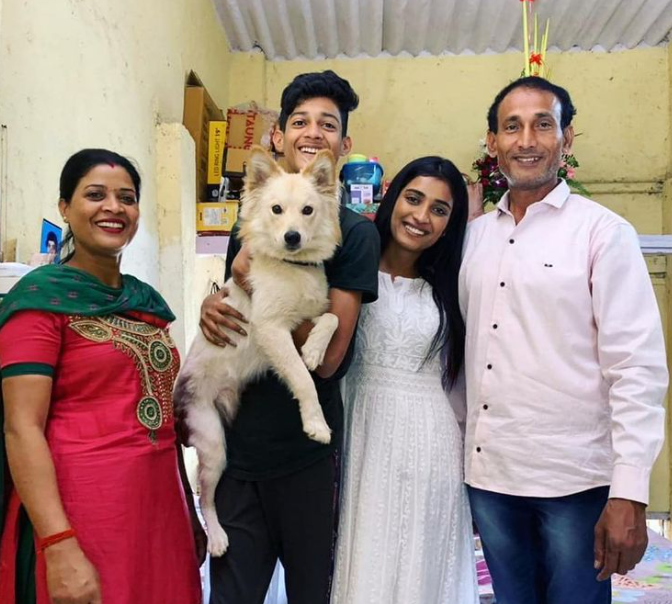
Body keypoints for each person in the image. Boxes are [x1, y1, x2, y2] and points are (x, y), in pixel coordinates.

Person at [459, 76, 668, 604]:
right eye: (512, 126)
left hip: (574, 484)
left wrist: (630, 492)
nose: (527, 140)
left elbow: (636, 365)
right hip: (491, 478)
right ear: (493, 143)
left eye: (542, 124)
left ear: (566, 138)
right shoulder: (474, 237)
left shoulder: (603, 232)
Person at [199, 71, 380, 604]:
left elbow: (330, 360)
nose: (312, 132)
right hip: (238, 447)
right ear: (278, 136)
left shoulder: (355, 233)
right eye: (299, 121)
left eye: (328, 124)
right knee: (231, 595)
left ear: (343, 145)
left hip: (306, 457)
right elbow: (236, 298)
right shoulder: (257, 211)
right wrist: (215, 303)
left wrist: (260, 285)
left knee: (310, 594)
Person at [0, 149, 204, 604]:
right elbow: (21, 427)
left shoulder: (146, 303)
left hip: (160, 513)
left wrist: (188, 510)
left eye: (126, 198)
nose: (113, 207)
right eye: (95, 195)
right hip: (83, 513)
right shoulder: (39, 301)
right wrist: (58, 545)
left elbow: (162, 423)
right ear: (65, 208)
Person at [330, 156, 479, 604]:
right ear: (393, 198)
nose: (421, 216)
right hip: (359, 432)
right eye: (413, 199)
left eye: (439, 209)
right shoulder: (347, 263)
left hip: (429, 448)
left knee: (418, 564)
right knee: (357, 553)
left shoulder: (454, 285)